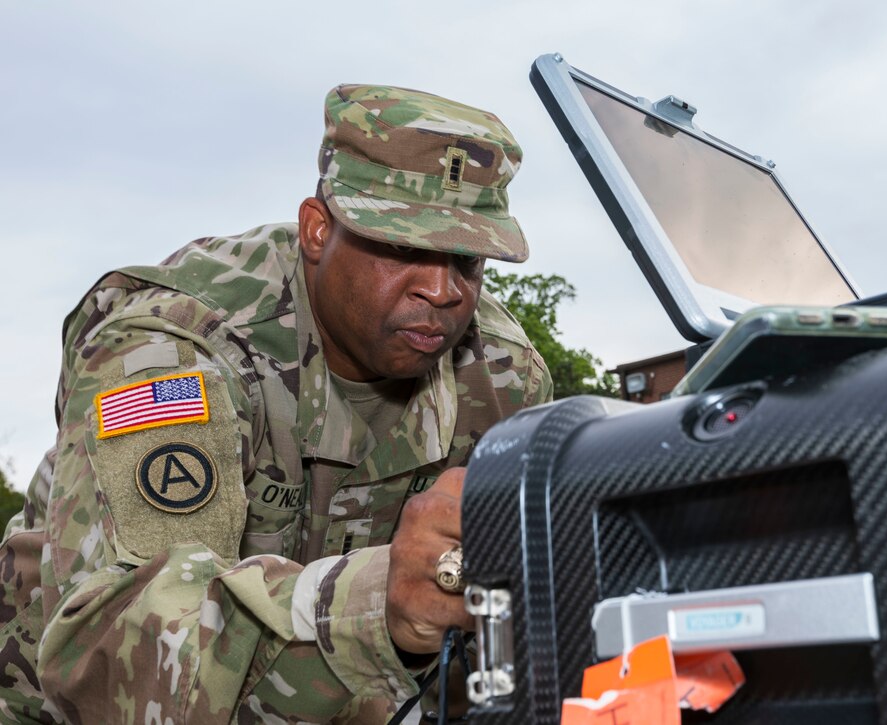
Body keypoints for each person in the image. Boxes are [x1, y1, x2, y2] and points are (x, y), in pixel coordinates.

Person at [0, 84, 552, 723]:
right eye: (403, 249)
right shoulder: (173, 349)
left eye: (467, 259)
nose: (441, 289)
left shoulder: (501, 378)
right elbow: (119, 651)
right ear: (318, 231)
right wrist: (379, 603)